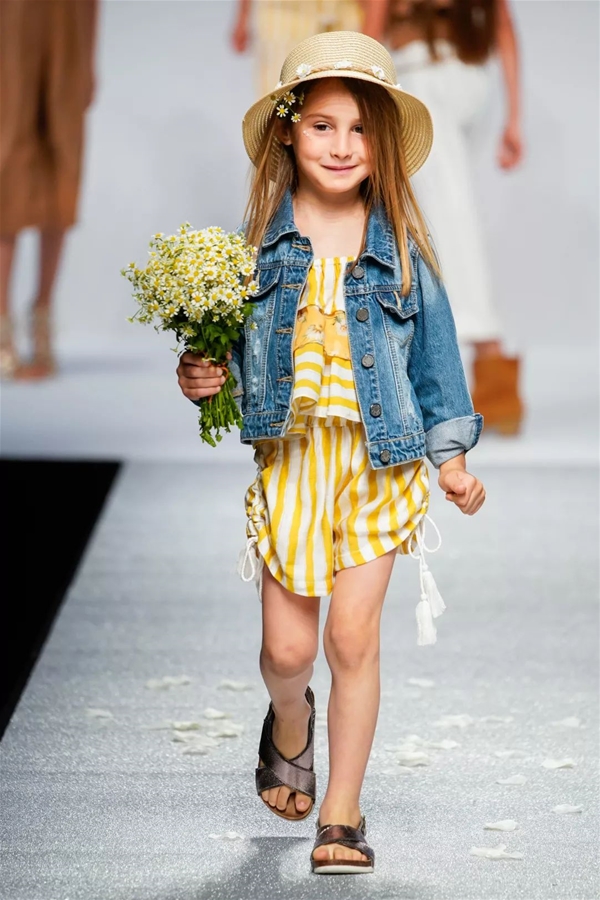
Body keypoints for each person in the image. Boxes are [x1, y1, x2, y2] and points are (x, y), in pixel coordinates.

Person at [177, 31, 485, 874]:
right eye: (322, 125)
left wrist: (451, 461)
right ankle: (289, 719)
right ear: (287, 131)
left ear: (382, 143)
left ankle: (341, 813)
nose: (343, 145)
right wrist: (201, 378)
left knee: (353, 640)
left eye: (359, 129)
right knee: (287, 653)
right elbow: (223, 363)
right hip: (293, 468)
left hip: (381, 468)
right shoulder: (253, 254)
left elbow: (436, 369)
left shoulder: (403, 254)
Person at [361, 0, 524, 435]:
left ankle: (481, 352)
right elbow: (504, 29)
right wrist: (513, 118)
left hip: (422, 82)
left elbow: (371, 34)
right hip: (471, 81)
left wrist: (357, 105)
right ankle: (487, 371)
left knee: (443, 220)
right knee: (446, 213)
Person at [0, 0, 99, 380]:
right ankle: (2, 323)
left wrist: (89, 59)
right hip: (12, 20)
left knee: (64, 162)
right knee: (8, 165)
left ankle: (42, 316)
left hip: (69, 21)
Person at [231, 0, 364, 97]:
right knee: (282, 103)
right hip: (284, 16)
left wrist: (369, 37)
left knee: (344, 103)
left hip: (344, 16)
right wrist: (243, 15)